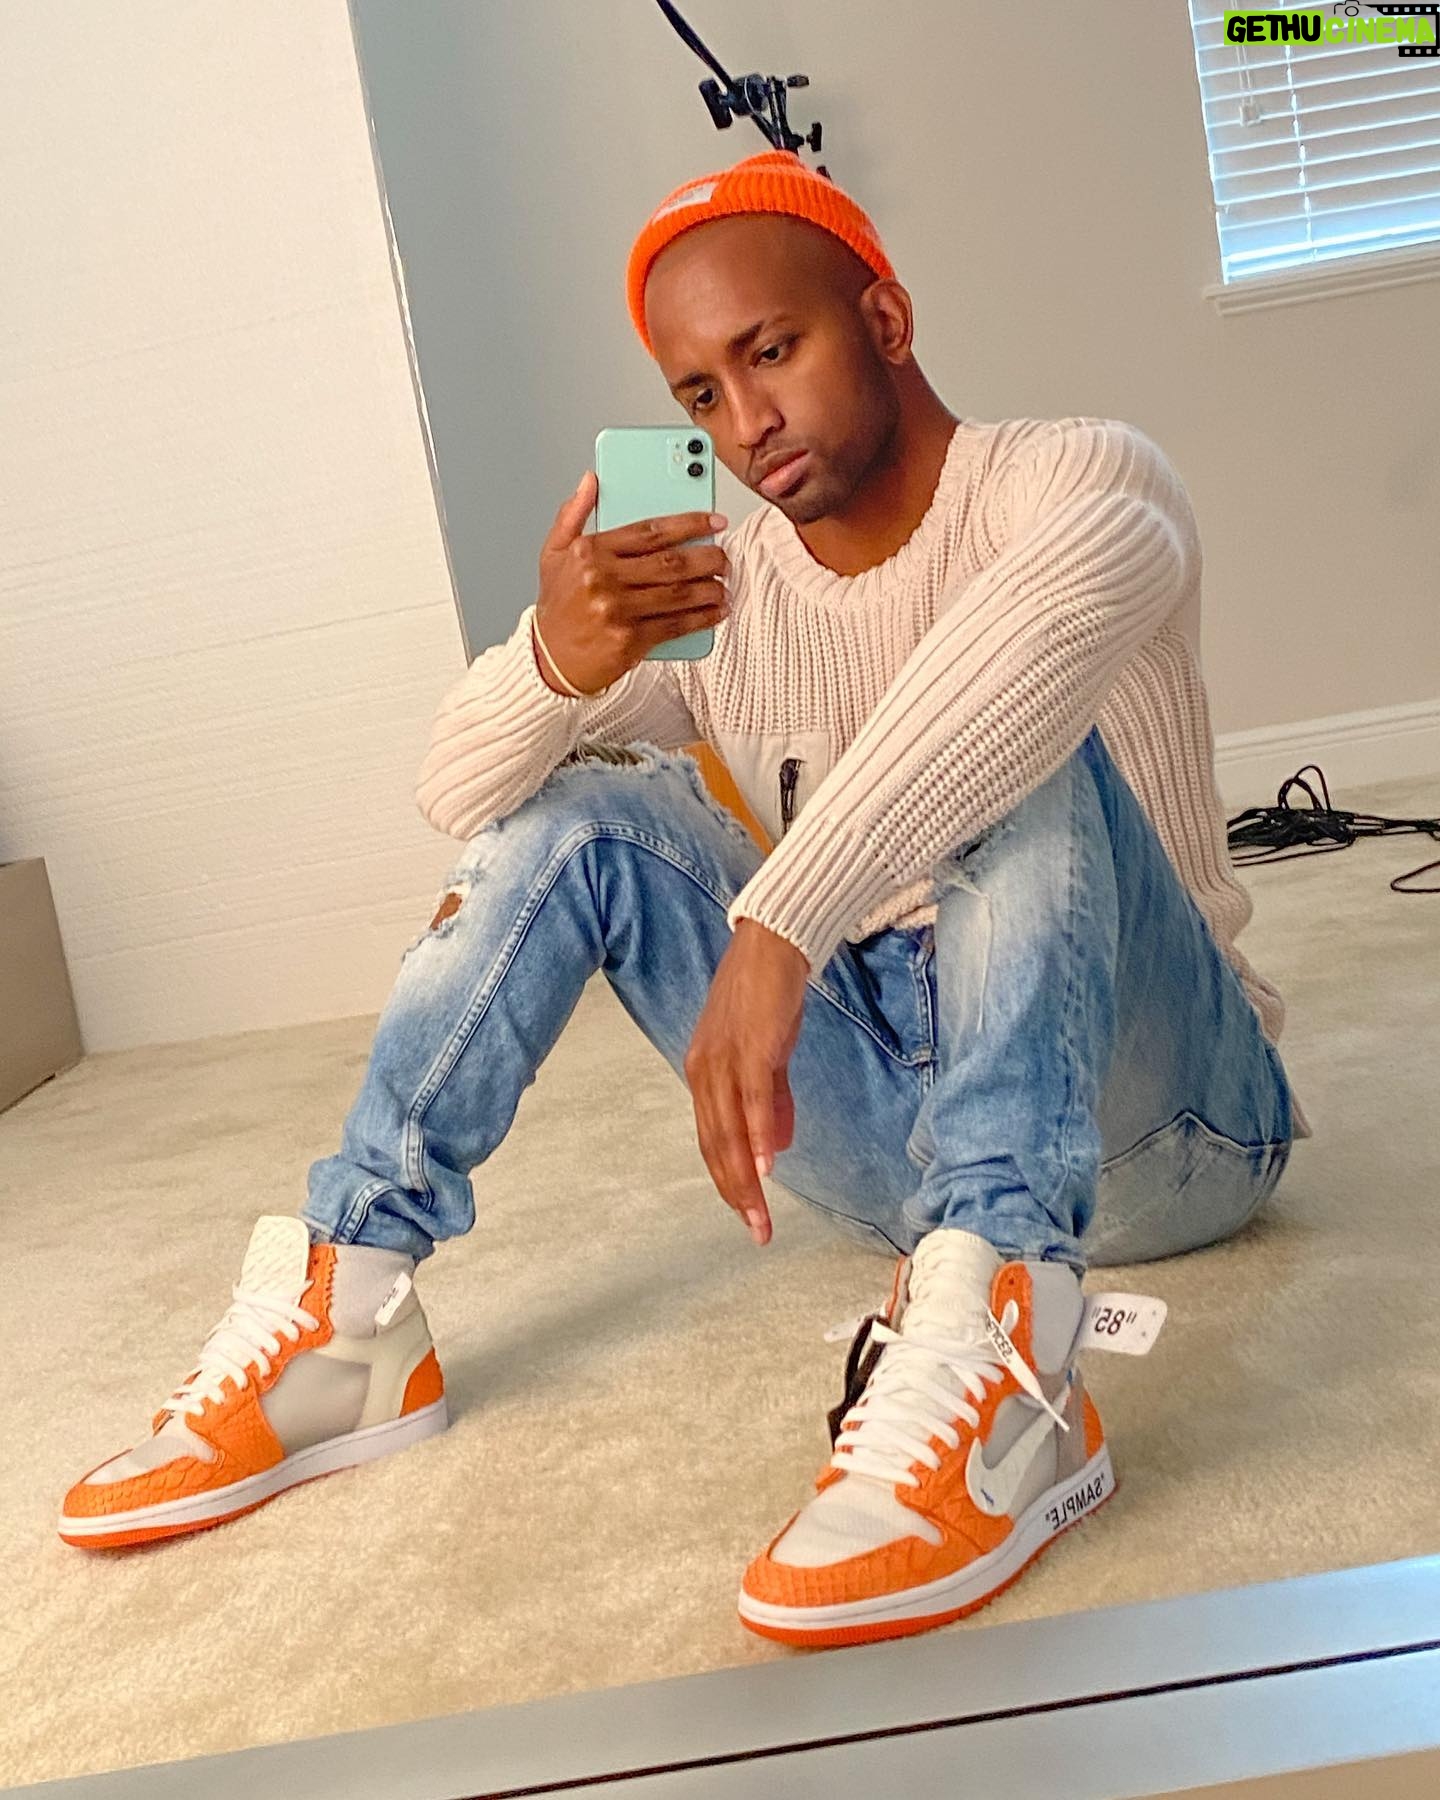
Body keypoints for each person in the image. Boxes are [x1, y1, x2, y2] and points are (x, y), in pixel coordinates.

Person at [58, 149, 1307, 1649]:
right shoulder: (724, 589)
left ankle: (1016, 1369)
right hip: (889, 1147)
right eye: (701, 394)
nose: (744, 423)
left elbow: (1025, 649)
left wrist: (780, 918)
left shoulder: (1083, 474)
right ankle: (352, 1308)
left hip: (1163, 1118)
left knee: (1011, 737)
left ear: (887, 321)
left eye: (773, 351)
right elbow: (459, 792)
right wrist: (559, 662)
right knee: (581, 812)